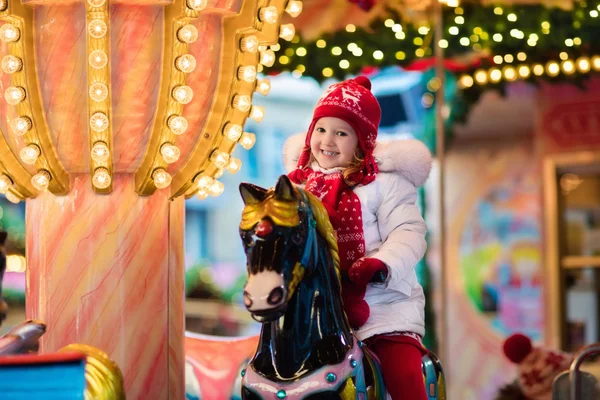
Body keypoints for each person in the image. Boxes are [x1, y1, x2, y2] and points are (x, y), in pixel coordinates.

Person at [286, 76, 431, 399]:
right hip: (316, 311)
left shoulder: (387, 183)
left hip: (382, 309)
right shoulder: (296, 187)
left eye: (341, 133)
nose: (328, 140)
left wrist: (381, 263)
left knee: (403, 374)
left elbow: (409, 232)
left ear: (362, 141)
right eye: (321, 129)